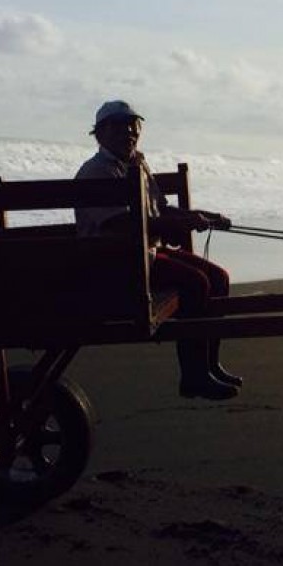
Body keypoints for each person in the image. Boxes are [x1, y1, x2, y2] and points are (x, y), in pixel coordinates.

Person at [74, 100, 243, 400]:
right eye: (119, 127)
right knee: (196, 283)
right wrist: (176, 225)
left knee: (219, 278)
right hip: (117, 262)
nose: (129, 133)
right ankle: (193, 375)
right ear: (100, 134)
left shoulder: (137, 164)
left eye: (134, 126)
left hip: (145, 255)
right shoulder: (96, 172)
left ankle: (209, 364)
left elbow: (160, 209)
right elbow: (119, 225)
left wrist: (200, 216)